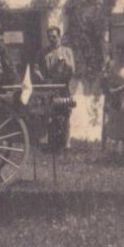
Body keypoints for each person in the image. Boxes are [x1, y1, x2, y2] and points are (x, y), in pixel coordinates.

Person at [38, 25, 77, 153]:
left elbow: (72, 69)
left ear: (59, 37)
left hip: (63, 86)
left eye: (54, 37)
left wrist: (64, 64)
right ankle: (52, 143)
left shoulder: (67, 51)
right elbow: (36, 68)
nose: (52, 39)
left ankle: (66, 143)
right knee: (50, 114)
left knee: (65, 113)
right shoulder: (43, 52)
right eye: (49, 37)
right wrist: (41, 77)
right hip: (49, 86)